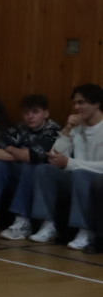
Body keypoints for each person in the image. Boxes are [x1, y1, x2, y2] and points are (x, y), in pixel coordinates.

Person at [0, 95, 60, 236]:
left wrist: (11, 149)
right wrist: (21, 155)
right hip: (20, 171)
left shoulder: (52, 130)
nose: (30, 116)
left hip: (41, 178)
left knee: (29, 166)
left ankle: (23, 222)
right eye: (26, 112)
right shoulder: (20, 128)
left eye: (35, 112)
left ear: (46, 113)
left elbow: (33, 157)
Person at [24, 84, 103, 250]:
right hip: (75, 176)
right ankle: (48, 225)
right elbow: (53, 155)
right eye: (75, 103)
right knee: (43, 170)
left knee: (80, 174)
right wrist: (67, 130)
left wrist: (71, 163)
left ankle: (84, 231)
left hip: (95, 179)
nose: (76, 107)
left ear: (96, 104)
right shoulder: (76, 127)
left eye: (81, 102)